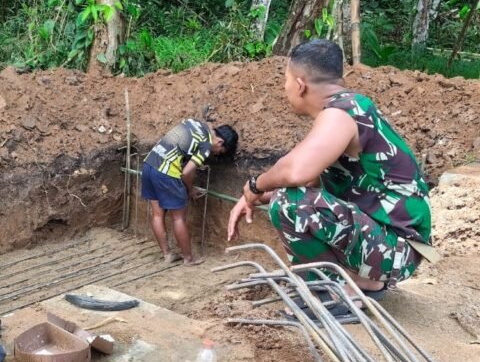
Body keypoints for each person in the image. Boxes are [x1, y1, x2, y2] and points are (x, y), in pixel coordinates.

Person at [227, 39, 431, 310]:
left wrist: (253, 185)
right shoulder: (350, 109)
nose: (285, 88)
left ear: (300, 85)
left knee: (290, 202)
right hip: (392, 246)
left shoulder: (341, 112)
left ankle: (339, 288)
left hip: (395, 252)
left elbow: (296, 171)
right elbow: (312, 180)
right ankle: (357, 280)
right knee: (286, 196)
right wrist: (258, 197)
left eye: (286, 81)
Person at [142, 118, 238, 265]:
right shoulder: (206, 146)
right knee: (178, 218)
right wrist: (190, 189)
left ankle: (167, 255)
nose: (215, 154)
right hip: (166, 172)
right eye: (219, 152)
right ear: (220, 142)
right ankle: (188, 258)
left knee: (157, 214)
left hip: (150, 164)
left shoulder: (196, 124)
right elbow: (186, 173)